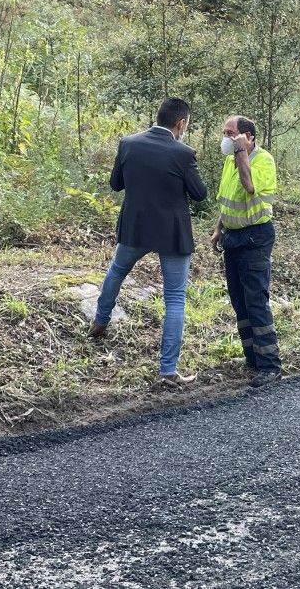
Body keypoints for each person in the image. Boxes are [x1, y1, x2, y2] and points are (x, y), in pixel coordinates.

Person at [89, 97, 208, 390]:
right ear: (181, 123)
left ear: (158, 116)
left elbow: (116, 184)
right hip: (172, 233)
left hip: (136, 227)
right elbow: (200, 193)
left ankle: (99, 325)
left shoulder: (128, 143)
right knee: (175, 298)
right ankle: (168, 371)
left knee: (116, 271)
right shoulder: (183, 153)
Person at [210, 115, 281, 389]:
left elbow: (249, 186)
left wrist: (241, 153)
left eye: (231, 133)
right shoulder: (231, 159)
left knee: (255, 301)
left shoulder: (263, 160)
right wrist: (219, 227)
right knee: (239, 301)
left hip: (255, 238)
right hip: (233, 236)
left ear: (248, 137)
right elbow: (228, 199)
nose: (226, 138)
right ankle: (253, 358)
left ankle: (270, 365)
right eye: (225, 133)